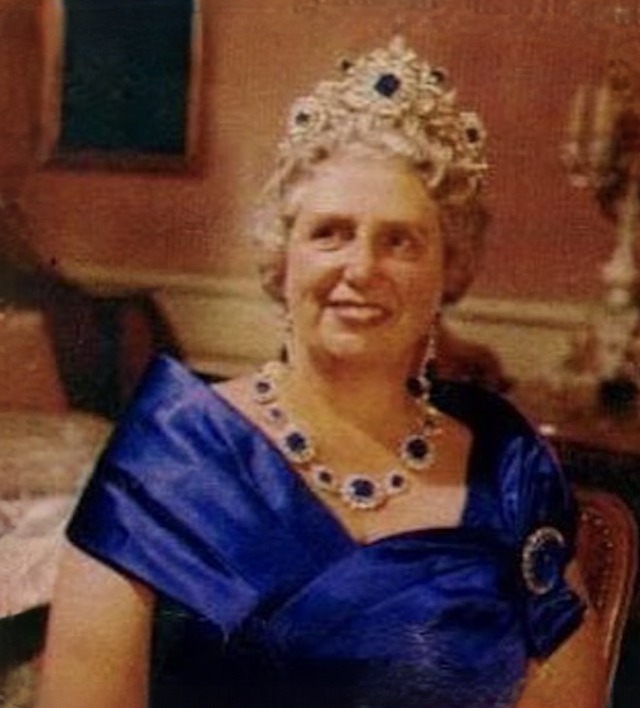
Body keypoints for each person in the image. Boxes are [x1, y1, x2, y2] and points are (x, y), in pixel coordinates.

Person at [36, 37, 604, 708]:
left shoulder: (508, 467)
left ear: (448, 270)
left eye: (400, 241)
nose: (361, 269)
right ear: (282, 260)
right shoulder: (168, 456)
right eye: (330, 232)